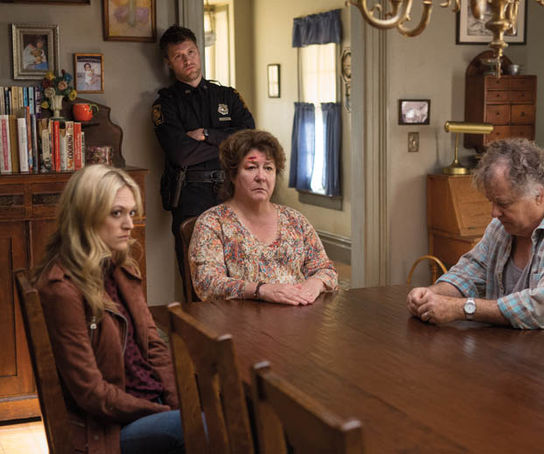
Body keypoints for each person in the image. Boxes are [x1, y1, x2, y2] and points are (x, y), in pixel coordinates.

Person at [33, 165, 184, 454]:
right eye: (116, 213)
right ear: (85, 215)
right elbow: (91, 393)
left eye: (131, 212)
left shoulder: (120, 267)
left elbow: (155, 347)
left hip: (150, 406)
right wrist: (164, 413)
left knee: (230, 412)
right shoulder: (61, 289)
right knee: (209, 428)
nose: (129, 224)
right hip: (107, 428)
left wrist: (180, 405)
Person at [407, 138, 544, 343]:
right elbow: (471, 271)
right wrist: (430, 296)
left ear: (538, 195)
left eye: (503, 203)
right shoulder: (502, 227)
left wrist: (462, 308)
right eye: (491, 202)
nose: (494, 213)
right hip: (508, 353)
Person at [152, 24, 255, 282]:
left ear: (199, 52)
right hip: (191, 194)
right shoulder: (165, 104)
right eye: (179, 56)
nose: (187, 60)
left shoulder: (227, 96)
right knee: (197, 275)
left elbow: (249, 139)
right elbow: (181, 154)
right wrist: (227, 142)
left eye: (191, 52)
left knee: (239, 270)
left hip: (231, 191)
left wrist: (207, 135)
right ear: (169, 62)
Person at [190, 129, 338, 305]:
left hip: (299, 314)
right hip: (240, 318)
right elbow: (207, 284)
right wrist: (261, 290)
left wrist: (315, 283)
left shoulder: (295, 220)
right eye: (251, 167)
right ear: (232, 175)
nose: (261, 177)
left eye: (268, 168)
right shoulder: (212, 222)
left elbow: (326, 269)